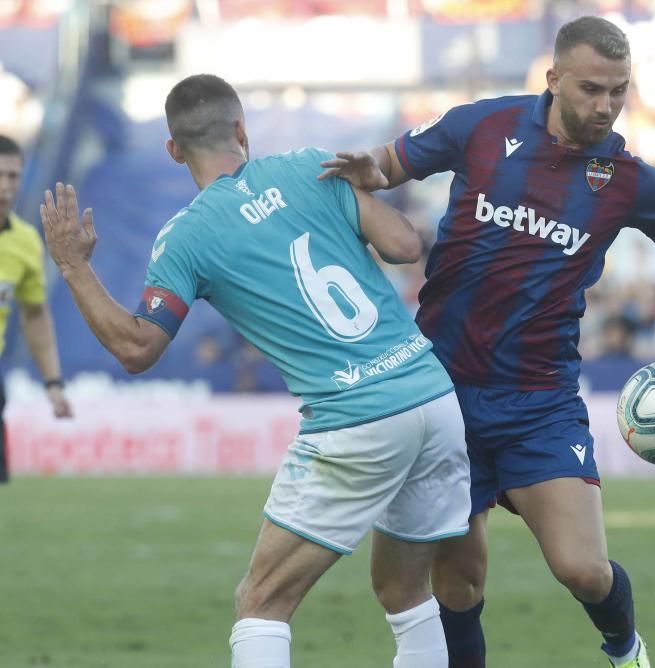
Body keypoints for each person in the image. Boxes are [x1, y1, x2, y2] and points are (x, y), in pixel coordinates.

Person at [321, 17, 655, 668]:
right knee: (459, 583)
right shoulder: (482, 126)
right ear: (554, 80)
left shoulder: (625, 178)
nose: (606, 106)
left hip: (539, 402)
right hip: (443, 396)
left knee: (584, 570)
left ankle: (624, 645)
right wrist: (374, 169)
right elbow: (389, 165)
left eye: (619, 91)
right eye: (591, 89)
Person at [39, 74, 471, 668]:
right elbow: (402, 245)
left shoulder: (186, 237)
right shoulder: (309, 167)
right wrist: (355, 192)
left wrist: (74, 267)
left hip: (356, 418)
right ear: (242, 130)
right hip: (431, 397)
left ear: (173, 150)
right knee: (406, 593)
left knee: (261, 602)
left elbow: (138, 349)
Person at [0, 134, 71, 483]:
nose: (4, 186)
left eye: (12, 176)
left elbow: (34, 313)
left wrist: (53, 382)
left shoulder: (26, 241)